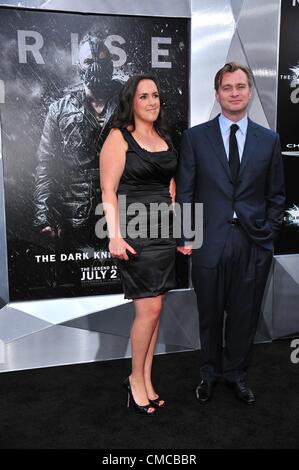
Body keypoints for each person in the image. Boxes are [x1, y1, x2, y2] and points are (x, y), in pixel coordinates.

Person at [176, 62, 285, 404]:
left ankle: (236, 374)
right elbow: (186, 193)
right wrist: (187, 238)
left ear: (250, 92)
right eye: (228, 87)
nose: (235, 93)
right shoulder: (195, 137)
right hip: (209, 243)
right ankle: (208, 374)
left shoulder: (269, 140)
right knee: (209, 314)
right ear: (217, 93)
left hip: (253, 243)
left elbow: (277, 195)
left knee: (244, 314)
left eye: (241, 86)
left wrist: (267, 234)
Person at [100, 74, 177, 415]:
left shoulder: (164, 136)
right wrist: (114, 235)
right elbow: (107, 191)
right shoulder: (118, 137)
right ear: (131, 101)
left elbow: (171, 183)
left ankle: (145, 378)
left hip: (164, 234)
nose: (151, 101)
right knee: (149, 310)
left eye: (156, 95)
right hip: (135, 232)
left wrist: (180, 228)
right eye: (143, 96)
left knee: (156, 310)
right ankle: (134, 381)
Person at [34, 31, 122, 247]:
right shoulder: (59, 110)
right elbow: (46, 164)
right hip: (74, 216)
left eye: (101, 61)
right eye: (89, 61)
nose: (95, 66)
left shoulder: (130, 102)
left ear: (110, 64)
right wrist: (43, 214)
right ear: (79, 67)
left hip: (124, 214)